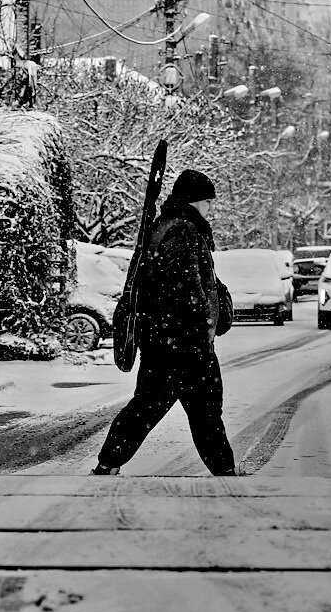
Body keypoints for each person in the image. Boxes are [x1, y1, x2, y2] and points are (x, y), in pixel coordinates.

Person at [91, 169, 237, 476]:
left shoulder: (168, 225)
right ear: (195, 200)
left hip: (167, 340)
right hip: (182, 344)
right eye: (208, 201)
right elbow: (186, 287)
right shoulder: (183, 230)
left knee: (157, 408)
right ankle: (224, 471)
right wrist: (204, 323)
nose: (210, 207)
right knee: (192, 411)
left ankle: (108, 463)